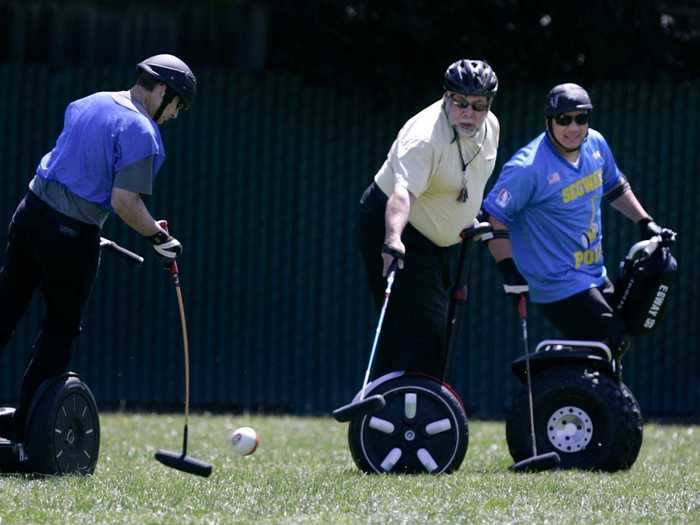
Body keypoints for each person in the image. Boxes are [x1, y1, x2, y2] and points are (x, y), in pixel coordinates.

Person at [0, 54, 196, 441]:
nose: (174, 115)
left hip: (29, 214)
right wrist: (159, 238)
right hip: (70, 236)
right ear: (163, 91)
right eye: (178, 106)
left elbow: (74, 174)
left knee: (6, 307)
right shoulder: (142, 131)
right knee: (59, 329)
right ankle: (27, 431)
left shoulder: (90, 101)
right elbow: (125, 201)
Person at [482, 82, 675, 357]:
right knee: (610, 339)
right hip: (556, 282)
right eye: (564, 119)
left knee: (619, 337)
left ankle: (572, 384)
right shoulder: (528, 168)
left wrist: (645, 222)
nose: (573, 128)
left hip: (594, 272)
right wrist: (509, 270)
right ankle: (562, 389)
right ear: (549, 121)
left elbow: (614, 186)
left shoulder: (595, 144)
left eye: (581, 118)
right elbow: (494, 217)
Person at [356, 59, 500, 380]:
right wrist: (392, 239)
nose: (469, 113)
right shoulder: (423, 138)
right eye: (460, 102)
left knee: (439, 330)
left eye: (478, 105)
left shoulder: (490, 128)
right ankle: (389, 409)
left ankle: (417, 408)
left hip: (446, 239)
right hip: (399, 226)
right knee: (420, 329)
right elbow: (402, 194)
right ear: (446, 97)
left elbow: (472, 178)